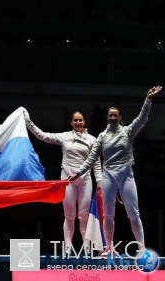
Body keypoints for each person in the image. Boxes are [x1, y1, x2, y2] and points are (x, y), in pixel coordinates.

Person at [68, 85, 163, 256]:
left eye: (115, 115)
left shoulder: (128, 132)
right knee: (109, 215)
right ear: (108, 118)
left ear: (120, 117)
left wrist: (148, 100)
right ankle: (108, 248)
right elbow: (91, 158)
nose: (112, 118)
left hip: (126, 176)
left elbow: (142, 119)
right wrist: (79, 173)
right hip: (108, 177)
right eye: (110, 115)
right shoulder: (102, 137)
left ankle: (141, 248)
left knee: (133, 213)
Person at [23, 109, 102, 254]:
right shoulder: (64, 137)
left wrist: (99, 180)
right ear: (71, 122)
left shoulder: (92, 139)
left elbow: (96, 162)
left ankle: (86, 250)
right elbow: (43, 136)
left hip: (85, 180)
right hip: (67, 180)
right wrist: (28, 122)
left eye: (80, 120)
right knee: (69, 216)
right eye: (75, 120)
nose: (78, 122)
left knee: (83, 216)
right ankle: (67, 249)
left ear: (84, 122)